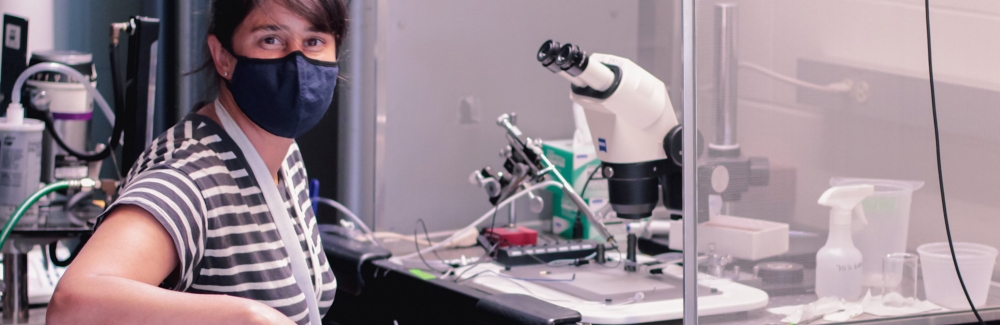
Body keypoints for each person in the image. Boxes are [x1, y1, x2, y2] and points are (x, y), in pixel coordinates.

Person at [47, 0, 346, 324]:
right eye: (270, 40)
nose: (297, 62)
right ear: (223, 57)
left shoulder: (285, 156)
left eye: (314, 41)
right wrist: (245, 316)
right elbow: (71, 306)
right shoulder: (190, 175)